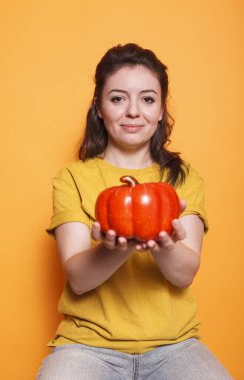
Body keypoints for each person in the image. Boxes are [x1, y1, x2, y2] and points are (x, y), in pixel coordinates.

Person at [37, 43, 233, 379]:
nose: (133, 111)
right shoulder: (72, 178)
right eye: (117, 98)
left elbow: (184, 274)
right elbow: (80, 280)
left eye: (147, 99)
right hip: (87, 347)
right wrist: (120, 244)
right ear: (99, 107)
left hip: (175, 346)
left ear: (160, 110)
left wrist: (163, 241)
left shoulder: (183, 178)